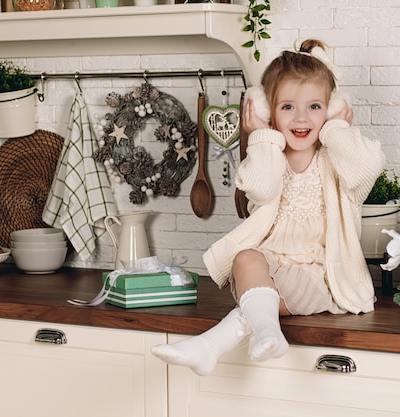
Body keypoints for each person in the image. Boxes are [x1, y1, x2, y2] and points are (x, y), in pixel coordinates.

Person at [151, 39, 386, 376]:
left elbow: (367, 167)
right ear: (267, 110)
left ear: (333, 107)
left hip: (323, 275)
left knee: (261, 297)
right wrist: (261, 136)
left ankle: (222, 341)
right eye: (287, 106)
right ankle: (264, 331)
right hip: (269, 271)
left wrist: (337, 128)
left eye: (316, 107)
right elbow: (259, 189)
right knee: (245, 256)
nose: (302, 117)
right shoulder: (268, 157)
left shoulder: (338, 164)